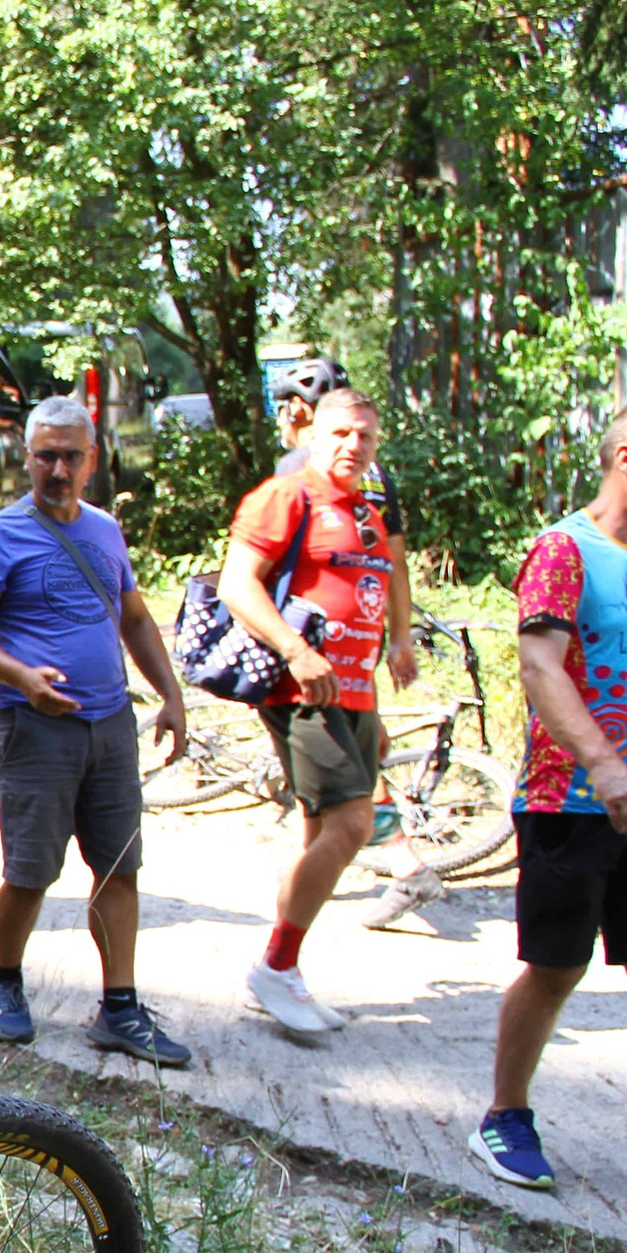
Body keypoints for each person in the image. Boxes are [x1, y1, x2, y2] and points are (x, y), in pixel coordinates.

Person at [472, 402, 627, 1207]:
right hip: (570, 799)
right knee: (556, 966)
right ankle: (504, 1115)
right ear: (626, 457)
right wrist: (609, 769)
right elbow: (542, 669)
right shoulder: (562, 549)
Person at [0, 395, 192, 1064]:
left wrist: (171, 696)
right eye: (45, 455)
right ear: (27, 457)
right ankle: (4, 980)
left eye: (70, 456)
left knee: (119, 866)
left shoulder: (106, 530)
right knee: (30, 870)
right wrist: (22, 676)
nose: (57, 468)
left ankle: (120, 1007)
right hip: (34, 728)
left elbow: (135, 619)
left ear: (92, 459)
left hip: (110, 725)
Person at [214, 388, 415, 1034]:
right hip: (302, 690)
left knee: (318, 832)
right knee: (354, 823)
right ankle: (275, 965)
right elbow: (237, 582)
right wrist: (296, 651)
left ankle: (284, 972)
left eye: (366, 436)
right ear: (313, 435)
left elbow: (367, 603)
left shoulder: (366, 513)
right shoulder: (286, 495)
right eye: (341, 433)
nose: (354, 445)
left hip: (354, 693)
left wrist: (374, 702)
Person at [267, 359, 441, 929]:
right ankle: (296, 906)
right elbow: (396, 561)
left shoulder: (300, 469)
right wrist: (400, 635)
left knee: (341, 786)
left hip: (309, 656)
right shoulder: (377, 476)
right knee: (321, 792)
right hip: (356, 650)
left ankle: (402, 862)